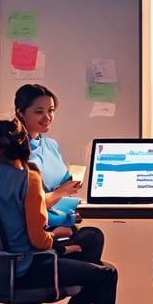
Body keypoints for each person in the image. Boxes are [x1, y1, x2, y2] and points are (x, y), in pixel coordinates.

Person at [0, 120, 117, 304]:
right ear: (25, 144)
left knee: (92, 240)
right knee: (106, 274)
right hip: (26, 270)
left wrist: (61, 239)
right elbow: (38, 241)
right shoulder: (27, 177)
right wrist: (60, 242)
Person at [14, 84, 106, 265]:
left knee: (93, 239)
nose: (47, 117)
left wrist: (68, 188)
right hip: (40, 234)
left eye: (51, 110)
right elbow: (29, 205)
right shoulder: (18, 153)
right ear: (21, 113)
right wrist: (60, 193)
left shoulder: (50, 145)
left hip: (60, 220)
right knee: (95, 246)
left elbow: (58, 185)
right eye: (39, 111)